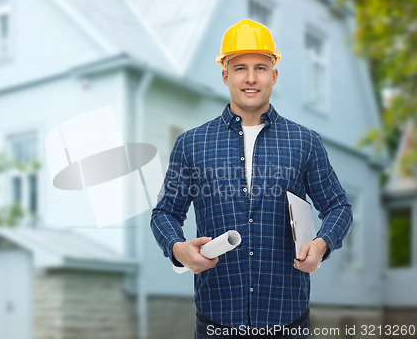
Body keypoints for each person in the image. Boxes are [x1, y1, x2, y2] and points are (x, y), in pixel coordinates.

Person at [150, 19, 352, 338]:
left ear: (274, 74)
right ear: (225, 75)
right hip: (216, 318)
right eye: (240, 67)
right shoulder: (191, 144)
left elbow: (338, 207)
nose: (250, 78)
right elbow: (165, 213)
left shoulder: (304, 142)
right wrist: (178, 248)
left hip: (288, 319)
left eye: (260, 67)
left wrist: (321, 244)